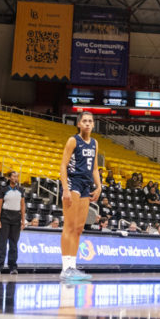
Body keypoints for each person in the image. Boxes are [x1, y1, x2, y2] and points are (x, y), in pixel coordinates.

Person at [57, 111, 101, 281]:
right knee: (69, 225)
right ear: (79, 124)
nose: (88, 124)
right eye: (85, 121)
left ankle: (72, 267)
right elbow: (63, 165)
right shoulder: (73, 140)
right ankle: (65, 268)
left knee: (78, 228)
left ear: (93, 124)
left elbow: (95, 168)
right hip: (73, 183)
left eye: (90, 121)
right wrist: (65, 189)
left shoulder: (95, 143)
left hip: (86, 185)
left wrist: (99, 186)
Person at [0, 170, 26, 275]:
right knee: (2, 244)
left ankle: (13, 267)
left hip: (16, 218)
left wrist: (23, 220)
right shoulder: (3, 190)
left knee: (13, 244)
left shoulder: (21, 190)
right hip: (5, 218)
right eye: (14, 176)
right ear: (9, 178)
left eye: (17, 176)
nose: (16, 178)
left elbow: (22, 206)